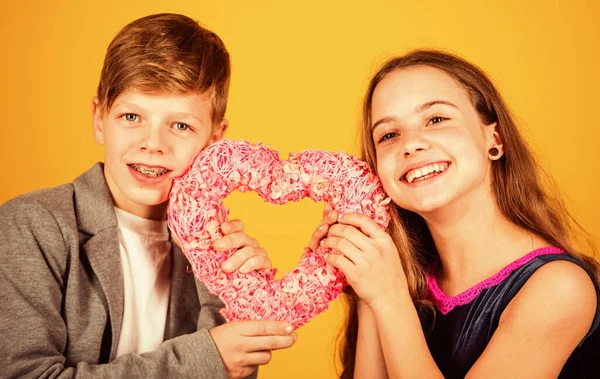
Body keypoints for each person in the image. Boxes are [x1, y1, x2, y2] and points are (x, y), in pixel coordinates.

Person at [0, 13, 296, 379]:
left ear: (215, 140)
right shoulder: (30, 227)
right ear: (99, 118)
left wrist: (235, 296)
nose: (153, 143)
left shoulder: (215, 252)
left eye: (181, 125)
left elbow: (230, 368)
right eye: (131, 117)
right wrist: (207, 358)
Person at [309, 49, 600, 378]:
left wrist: (388, 298)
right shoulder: (402, 282)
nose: (411, 144)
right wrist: (367, 287)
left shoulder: (559, 288)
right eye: (389, 135)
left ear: (495, 139)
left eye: (436, 119)